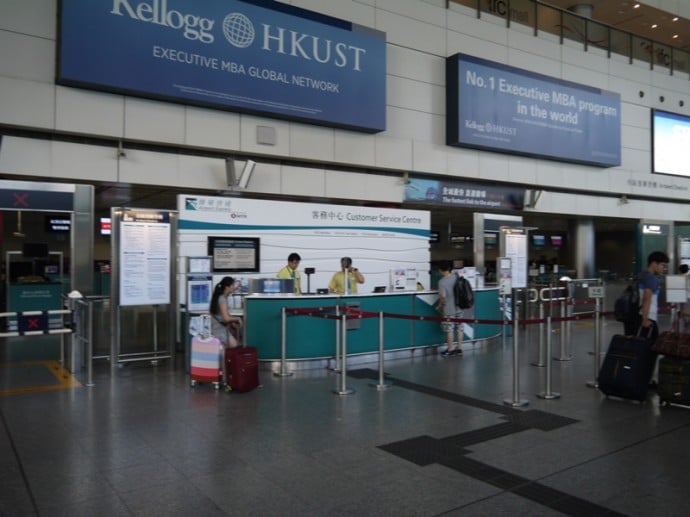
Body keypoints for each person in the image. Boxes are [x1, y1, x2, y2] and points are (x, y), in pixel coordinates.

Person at [437, 260, 463, 357]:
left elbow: (443, 298)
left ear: (441, 270)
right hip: (459, 307)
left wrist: (440, 306)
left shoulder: (442, 282)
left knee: (450, 329)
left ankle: (450, 349)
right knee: (460, 328)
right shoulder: (457, 277)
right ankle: (459, 349)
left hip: (449, 309)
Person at [209, 276, 243, 348]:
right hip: (220, 330)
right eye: (233, 285)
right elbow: (226, 318)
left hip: (217, 328)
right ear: (227, 287)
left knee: (225, 350)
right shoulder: (222, 299)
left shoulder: (219, 297)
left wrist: (232, 323)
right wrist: (237, 318)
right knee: (234, 345)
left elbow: (221, 315)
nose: (234, 287)